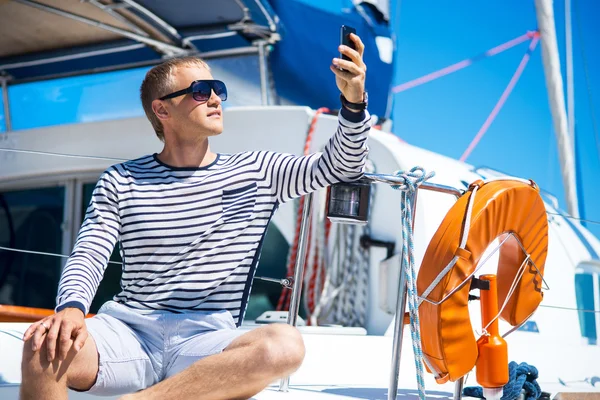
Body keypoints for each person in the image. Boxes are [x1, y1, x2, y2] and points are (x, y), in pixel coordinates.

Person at [20, 32, 370, 400]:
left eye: (217, 88)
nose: (216, 98)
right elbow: (90, 253)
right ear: (162, 110)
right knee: (43, 344)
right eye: (200, 91)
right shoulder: (121, 180)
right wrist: (72, 310)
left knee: (285, 345)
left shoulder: (258, 172)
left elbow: (342, 166)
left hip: (207, 338)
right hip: (129, 332)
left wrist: (353, 101)